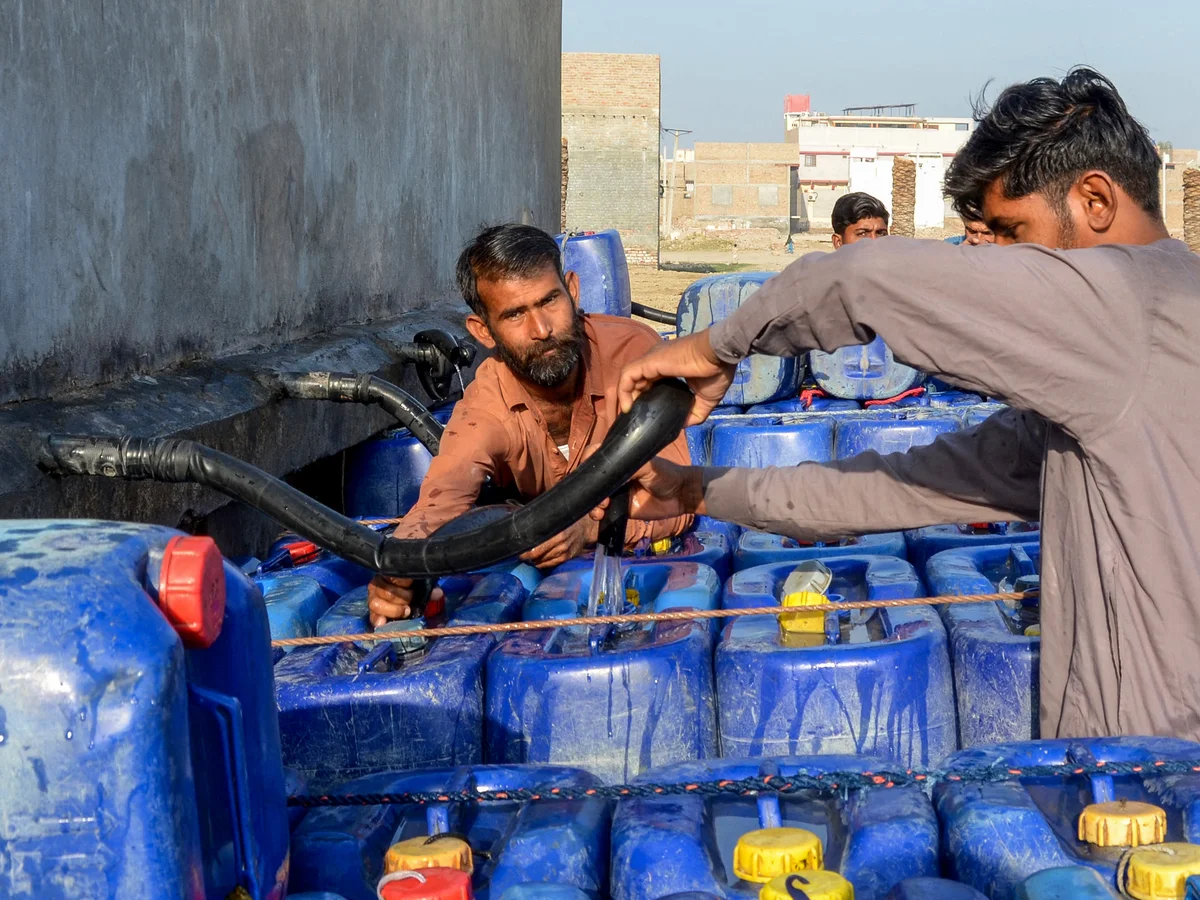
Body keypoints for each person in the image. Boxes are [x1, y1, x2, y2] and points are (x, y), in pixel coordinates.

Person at [607, 68, 1200, 741]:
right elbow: (905, 488)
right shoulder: (1115, 377)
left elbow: (867, 277)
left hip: (1171, 785)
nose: (993, 258)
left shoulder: (1129, 305)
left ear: (1095, 200)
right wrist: (699, 489)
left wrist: (718, 347)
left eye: (1013, 231)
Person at [367, 224, 693, 625]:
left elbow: (682, 498)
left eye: (549, 300)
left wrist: (588, 528)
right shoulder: (487, 403)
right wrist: (399, 572)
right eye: (515, 314)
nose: (542, 330)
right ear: (483, 331)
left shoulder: (635, 355)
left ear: (572, 290)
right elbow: (440, 499)